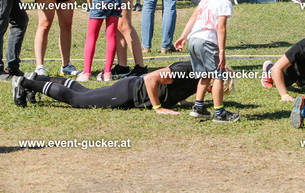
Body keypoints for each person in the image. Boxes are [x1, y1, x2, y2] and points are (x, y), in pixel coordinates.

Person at [174, 0, 249, 122]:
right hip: (208, 41)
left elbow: (195, 15)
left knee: (205, 75)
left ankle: (198, 107)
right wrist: (221, 51)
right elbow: (221, 27)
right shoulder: (224, 2)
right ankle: (219, 113)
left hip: (194, 40)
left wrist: (184, 36)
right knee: (218, 76)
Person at [12, 61, 207, 114]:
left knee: (83, 91)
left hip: (128, 88)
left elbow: (174, 84)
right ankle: (24, 83)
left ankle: (37, 79)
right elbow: (151, 79)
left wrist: (180, 99)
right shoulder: (190, 71)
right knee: (78, 99)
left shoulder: (199, 74)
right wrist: (158, 108)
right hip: (128, 93)